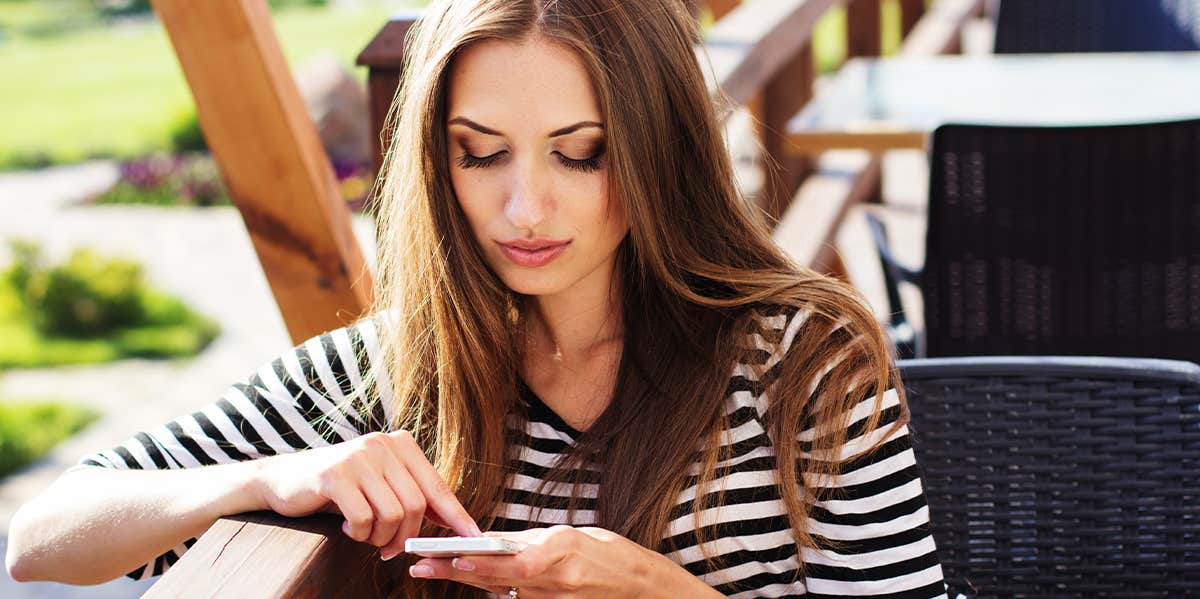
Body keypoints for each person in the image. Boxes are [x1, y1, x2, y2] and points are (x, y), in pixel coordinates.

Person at [6, 0, 946, 597]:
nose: (523, 206)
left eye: (581, 153)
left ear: (660, 150)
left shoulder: (803, 360)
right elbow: (42, 536)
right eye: (480, 152)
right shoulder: (401, 365)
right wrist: (266, 477)